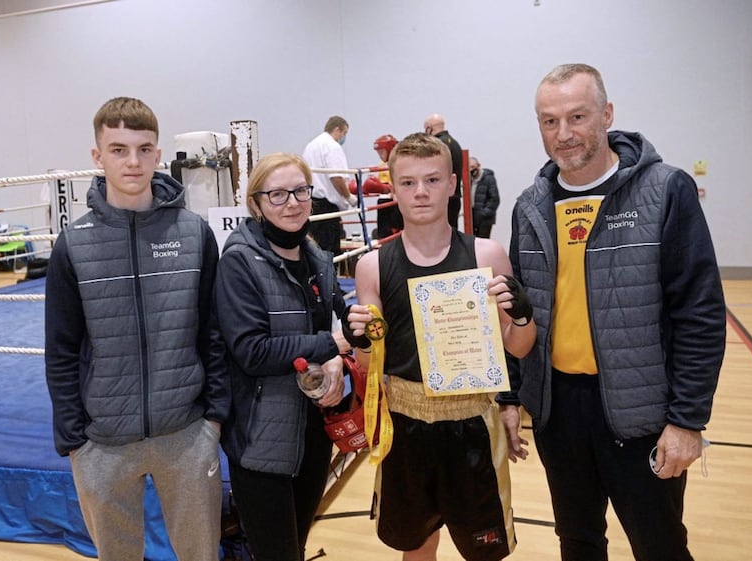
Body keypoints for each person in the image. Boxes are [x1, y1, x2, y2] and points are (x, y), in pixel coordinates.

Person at [502, 63, 726, 561]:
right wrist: (511, 395)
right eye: (549, 121)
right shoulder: (530, 206)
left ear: (607, 114)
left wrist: (688, 420)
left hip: (640, 414)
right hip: (559, 413)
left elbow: (700, 314)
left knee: (660, 545)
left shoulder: (665, 189)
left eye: (577, 116)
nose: (564, 134)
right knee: (578, 542)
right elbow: (520, 312)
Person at [45, 97, 228, 561]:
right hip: (102, 442)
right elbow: (61, 349)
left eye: (144, 149)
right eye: (119, 149)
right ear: (97, 156)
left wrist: (213, 418)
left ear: (158, 154)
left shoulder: (193, 234)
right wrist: (74, 438)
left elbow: (212, 330)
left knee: (201, 555)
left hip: (186, 432)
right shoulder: (74, 245)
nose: (133, 161)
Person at [345, 133, 536, 561]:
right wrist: (360, 339)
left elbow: (519, 349)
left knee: (485, 551)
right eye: (408, 182)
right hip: (405, 424)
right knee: (416, 547)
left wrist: (522, 317)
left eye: (432, 180)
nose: (421, 192)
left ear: (453, 183)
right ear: (392, 189)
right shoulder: (372, 265)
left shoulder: (488, 254)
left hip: (472, 422)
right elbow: (369, 361)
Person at [214, 152, 353, 561]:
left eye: (300, 191)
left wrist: (341, 356)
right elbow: (251, 352)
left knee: (296, 544)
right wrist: (332, 346)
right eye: (277, 194)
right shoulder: (239, 262)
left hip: (314, 429)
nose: (292, 202)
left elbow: (338, 323)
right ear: (256, 203)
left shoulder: (317, 259)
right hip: (263, 440)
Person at [302, 115, 358, 255]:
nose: (344, 137)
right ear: (337, 129)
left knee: (314, 249)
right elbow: (336, 177)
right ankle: (330, 277)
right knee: (330, 251)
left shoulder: (311, 146)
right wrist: (349, 197)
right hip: (327, 206)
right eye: (344, 133)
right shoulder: (332, 146)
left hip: (311, 202)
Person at [423, 113, 463, 229]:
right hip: (454, 195)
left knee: (440, 236)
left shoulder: (436, 146)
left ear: (429, 128)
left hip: (441, 198)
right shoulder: (455, 144)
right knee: (452, 233)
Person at [468, 156, 500, 238]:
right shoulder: (469, 180)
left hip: (485, 220)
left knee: (483, 244)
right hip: (473, 217)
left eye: (473, 167)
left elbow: (495, 199)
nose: (471, 170)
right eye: (469, 168)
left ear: (478, 165)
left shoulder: (489, 179)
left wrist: (483, 213)